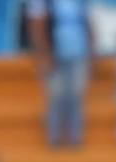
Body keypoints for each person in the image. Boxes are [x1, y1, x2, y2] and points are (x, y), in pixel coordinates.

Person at [26, 0, 93, 148]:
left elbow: (87, 23)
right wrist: (44, 54)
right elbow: (37, 25)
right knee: (56, 98)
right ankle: (54, 139)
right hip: (55, 54)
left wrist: (91, 51)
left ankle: (75, 140)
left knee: (76, 97)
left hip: (78, 53)